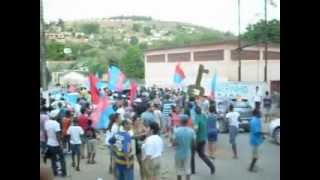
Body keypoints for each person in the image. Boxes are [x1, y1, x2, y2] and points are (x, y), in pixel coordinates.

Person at [191, 106, 215, 175]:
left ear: (195, 112)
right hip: (203, 138)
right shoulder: (204, 116)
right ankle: (212, 166)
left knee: (192, 155)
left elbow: (196, 129)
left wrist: (193, 135)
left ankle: (192, 170)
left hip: (197, 139)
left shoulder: (197, 118)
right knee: (202, 155)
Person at [172, 114, 195, 180]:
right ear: (187, 121)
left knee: (178, 169)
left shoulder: (176, 131)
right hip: (187, 151)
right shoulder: (191, 131)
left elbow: (174, 143)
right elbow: (193, 143)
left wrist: (176, 144)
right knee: (187, 169)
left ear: (180, 121)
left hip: (178, 152)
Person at [44, 111, 67, 177]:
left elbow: (46, 134)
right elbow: (58, 136)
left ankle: (55, 172)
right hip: (56, 144)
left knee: (53, 159)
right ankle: (63, 173)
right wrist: (61, 144)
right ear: (55, 116)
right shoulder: (56, 124)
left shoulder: (47, 123)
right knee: (62, 158)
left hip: (49, 143)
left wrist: (46, 143)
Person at [248, 108, 265, 172]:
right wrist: (264, 134)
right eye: (260, 113)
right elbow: (257, 131)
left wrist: (262, 136)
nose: (261, 114)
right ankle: (251, 168)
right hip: (255, 140)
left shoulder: (255, 119)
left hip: (255, 139)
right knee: (255, 156)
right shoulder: (255, 121)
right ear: (257, 114)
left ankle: (252, 167)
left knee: (255, 155)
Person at [132, 115, 148, 180]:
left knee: (141, 163)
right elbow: (131, 136)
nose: (139, 121)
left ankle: (142, 178)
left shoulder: (141, 126)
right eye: (137, 120)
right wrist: (138, 135)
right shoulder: (131, 127)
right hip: (133, 146)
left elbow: (147, 132)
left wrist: (141, 135)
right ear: (134, 121)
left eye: (139, 120)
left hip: (140, 146)